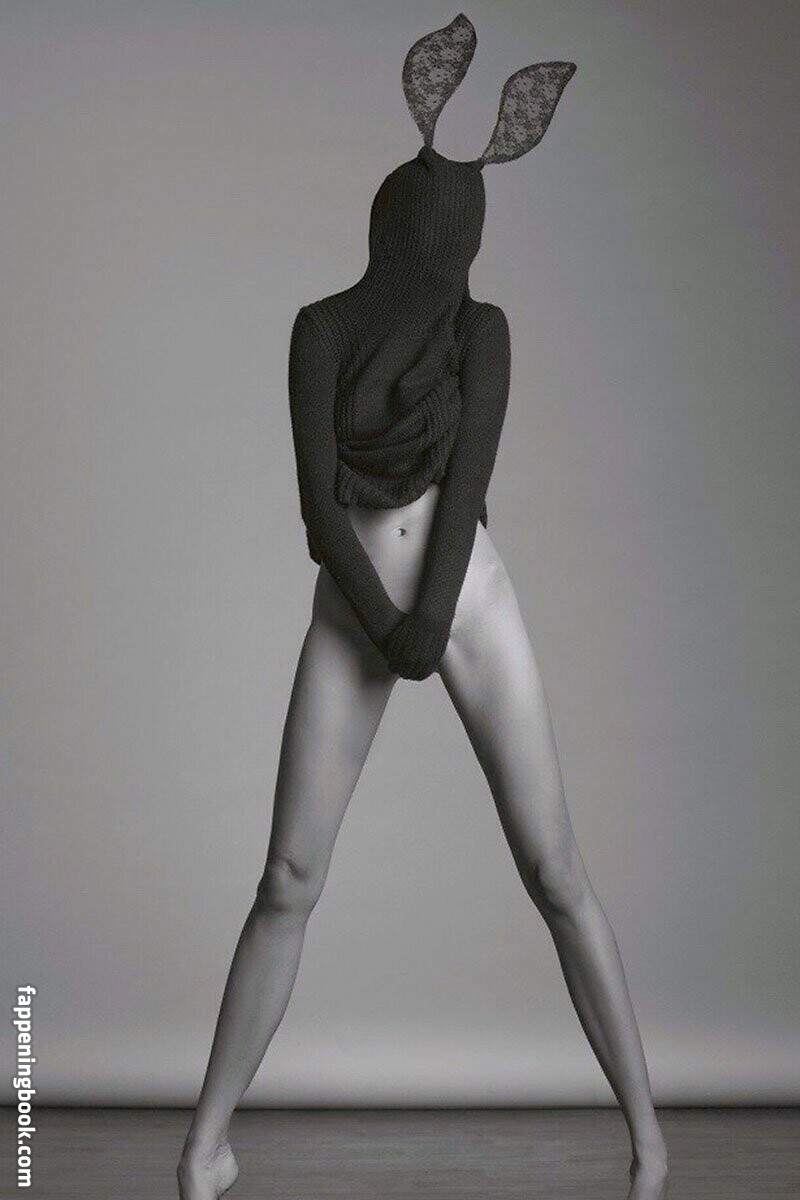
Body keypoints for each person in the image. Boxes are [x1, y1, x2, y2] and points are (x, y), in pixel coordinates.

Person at [177, 14, 669, 1200]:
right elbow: (317, 509)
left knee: (554, 870)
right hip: (353, 612)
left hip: (467, 602)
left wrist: (428, 624)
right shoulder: (321, 330)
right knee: (287, 880)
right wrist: (384, 626)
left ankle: (650, 1142)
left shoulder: (480, 331)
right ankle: (201, 1148)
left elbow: (466, 487)